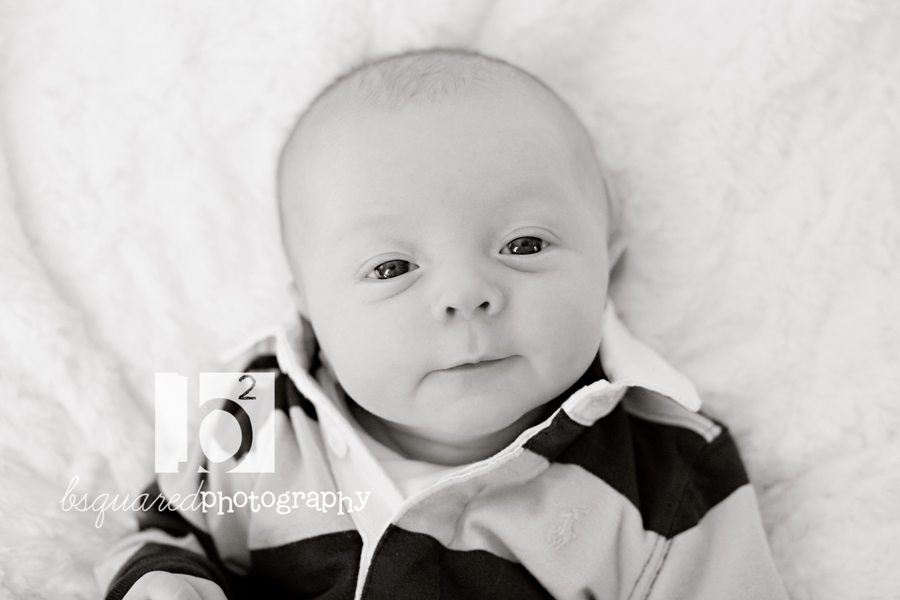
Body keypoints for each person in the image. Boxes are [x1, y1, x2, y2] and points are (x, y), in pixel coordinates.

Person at [97, 48, 788, 600]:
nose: (466, 296)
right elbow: (161, 535)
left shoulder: (669, 468)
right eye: (392, 267)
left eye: (524, 245)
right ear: (307, 303)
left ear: (608, 264)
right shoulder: (249, 416)